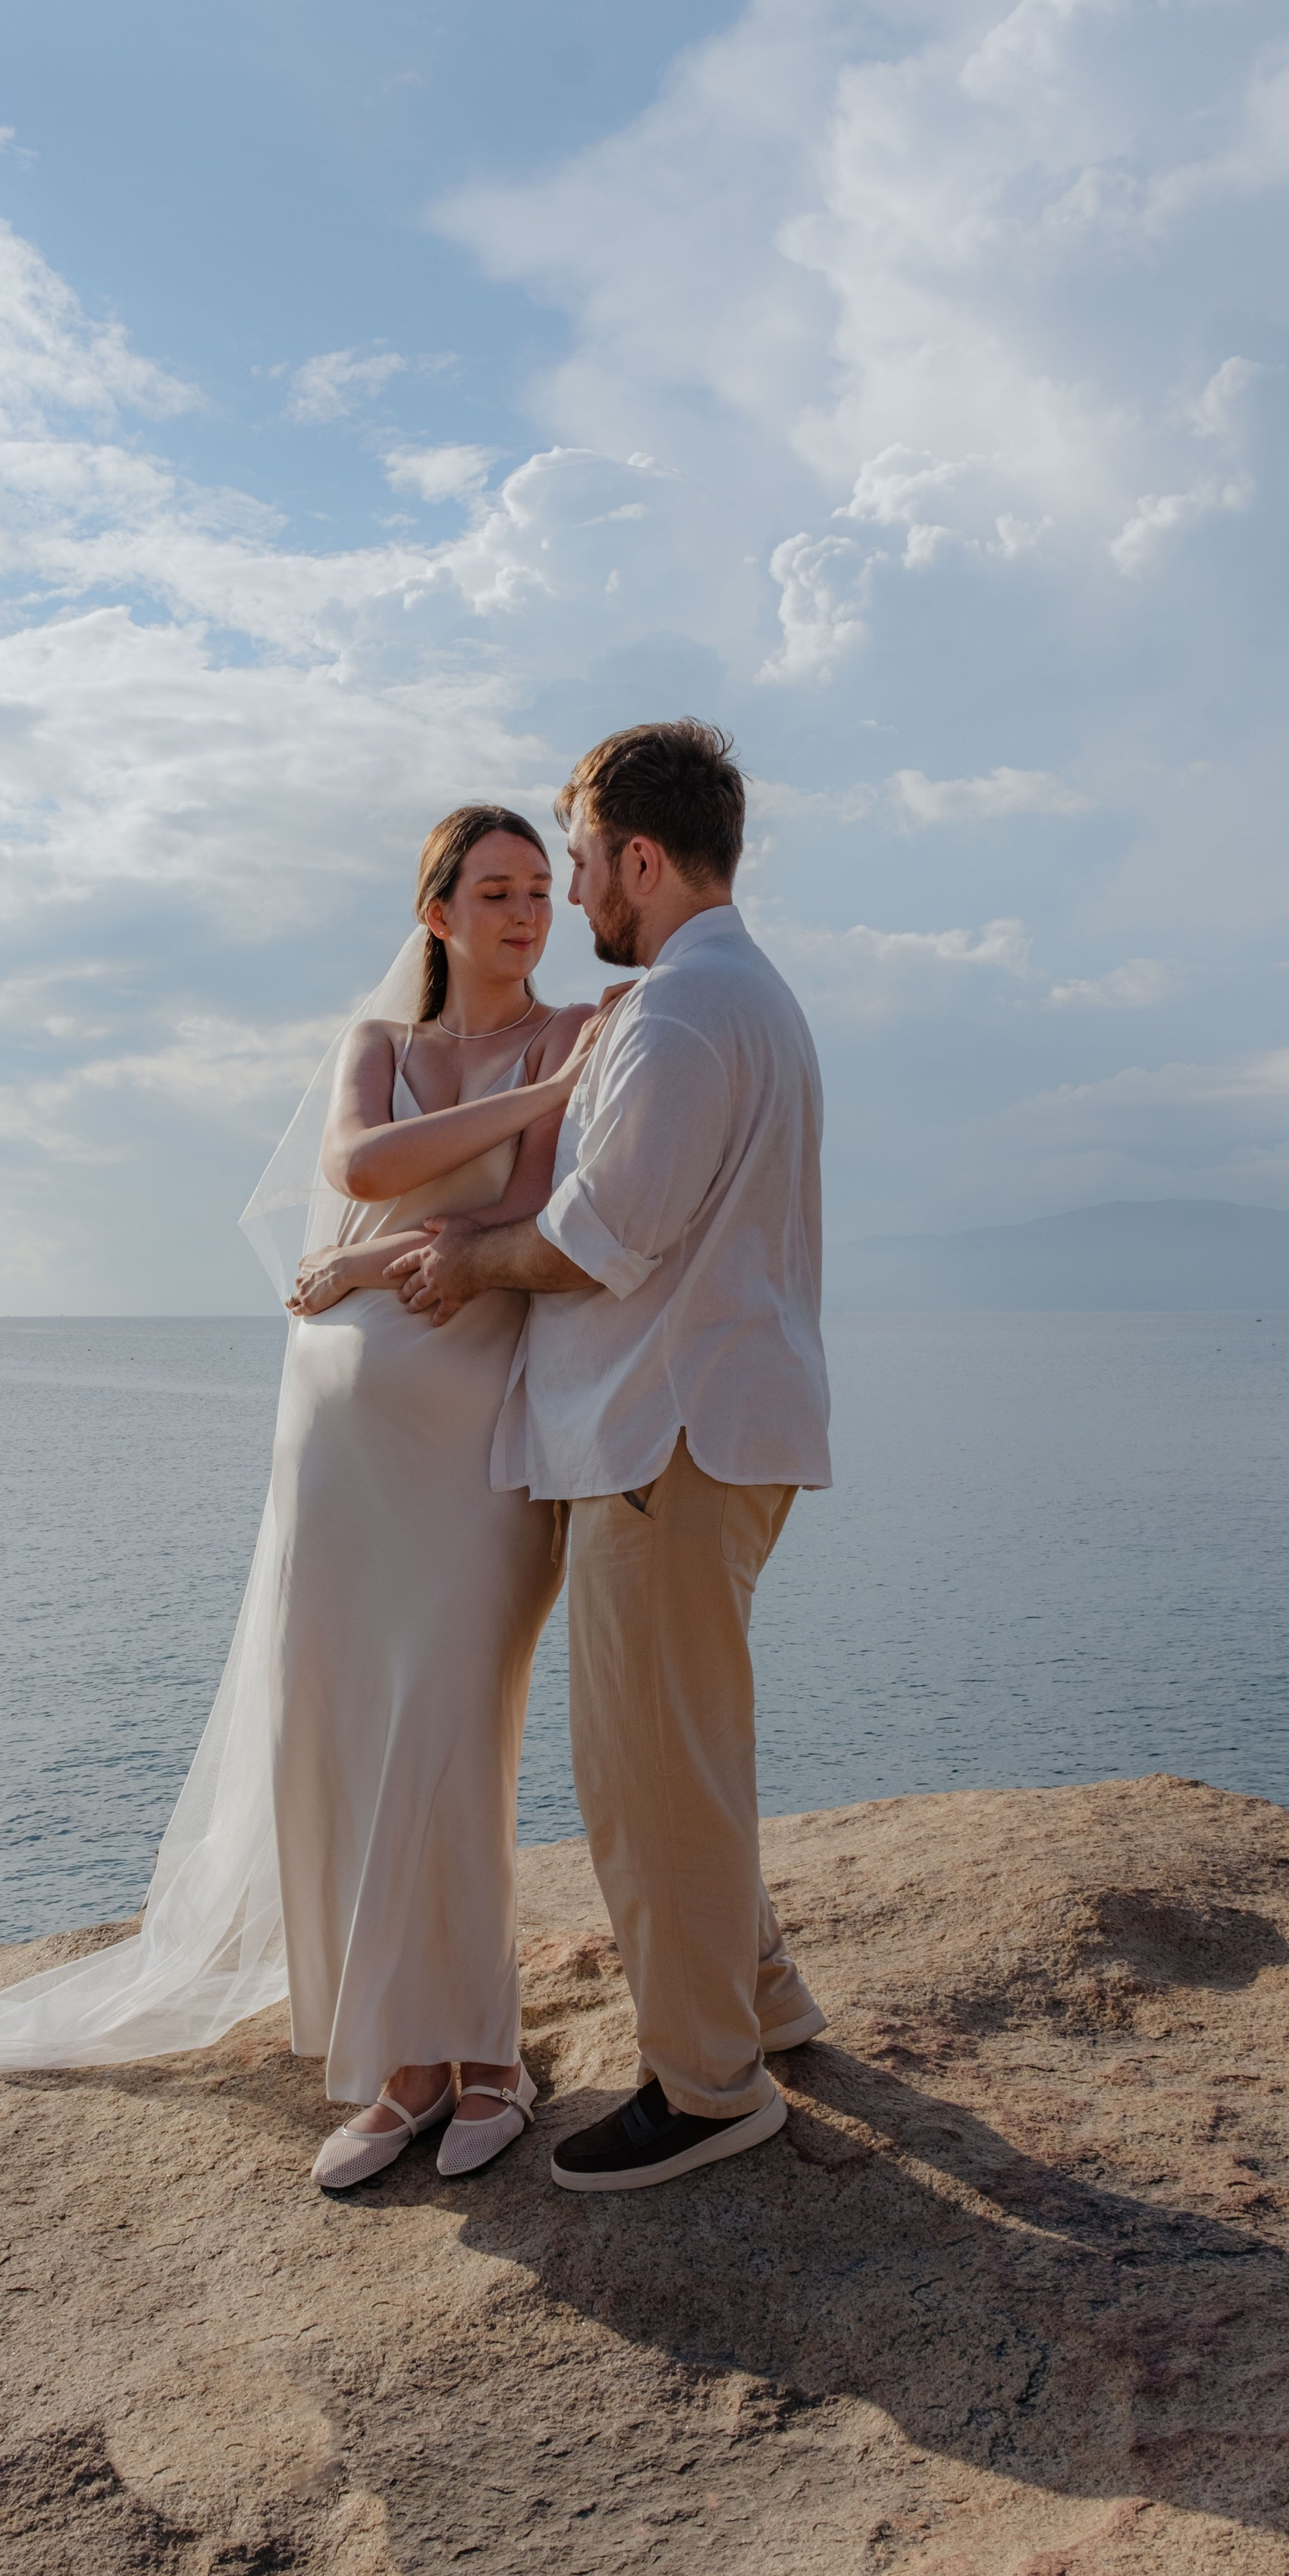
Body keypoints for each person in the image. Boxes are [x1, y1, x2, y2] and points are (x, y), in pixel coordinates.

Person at [0, 806, 604, 2196]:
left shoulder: (574, 1030)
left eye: (540, 891)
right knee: (330, 1727)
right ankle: (394, 2066)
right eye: (498, 893)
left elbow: (494, 1227)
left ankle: (491, 2061)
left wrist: (382, 1246)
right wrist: (517, 1111)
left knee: (451, 1732)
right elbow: (359, 1169)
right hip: (334, 1450)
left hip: (466, 1447)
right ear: (438, 913)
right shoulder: (382, 1048)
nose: (529, 915)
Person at [393, 720, 833, 2194]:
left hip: (665, 1442)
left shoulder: (678, 1017)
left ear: (640, 859)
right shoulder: (740, 1000)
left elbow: (593, 1241)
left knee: (644, 1777)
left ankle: (709, 2087)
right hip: (707, 1431)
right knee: (688, 1751)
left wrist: (467, 1255)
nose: (574, 895)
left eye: (579, 861)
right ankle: (761, 2007)